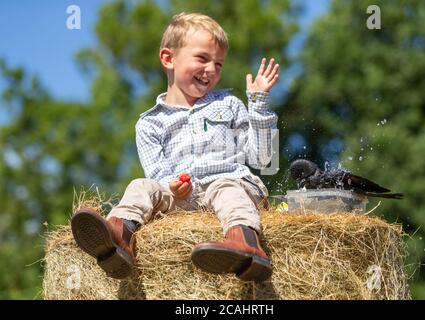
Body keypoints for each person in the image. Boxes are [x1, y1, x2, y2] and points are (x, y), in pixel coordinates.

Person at [71, 12, 279, 282]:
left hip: (232, 185)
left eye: (219, 64)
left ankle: (246, 244)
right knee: (140, 185)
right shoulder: (149, 124)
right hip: (184, 199)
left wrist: (260, 104)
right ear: (169, 58)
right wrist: (171, 185)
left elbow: (265, 160)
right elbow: (157, 173)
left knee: (224, 188)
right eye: (203, 59)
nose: (212, 70)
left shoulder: (229, 104)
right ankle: (116, 238)